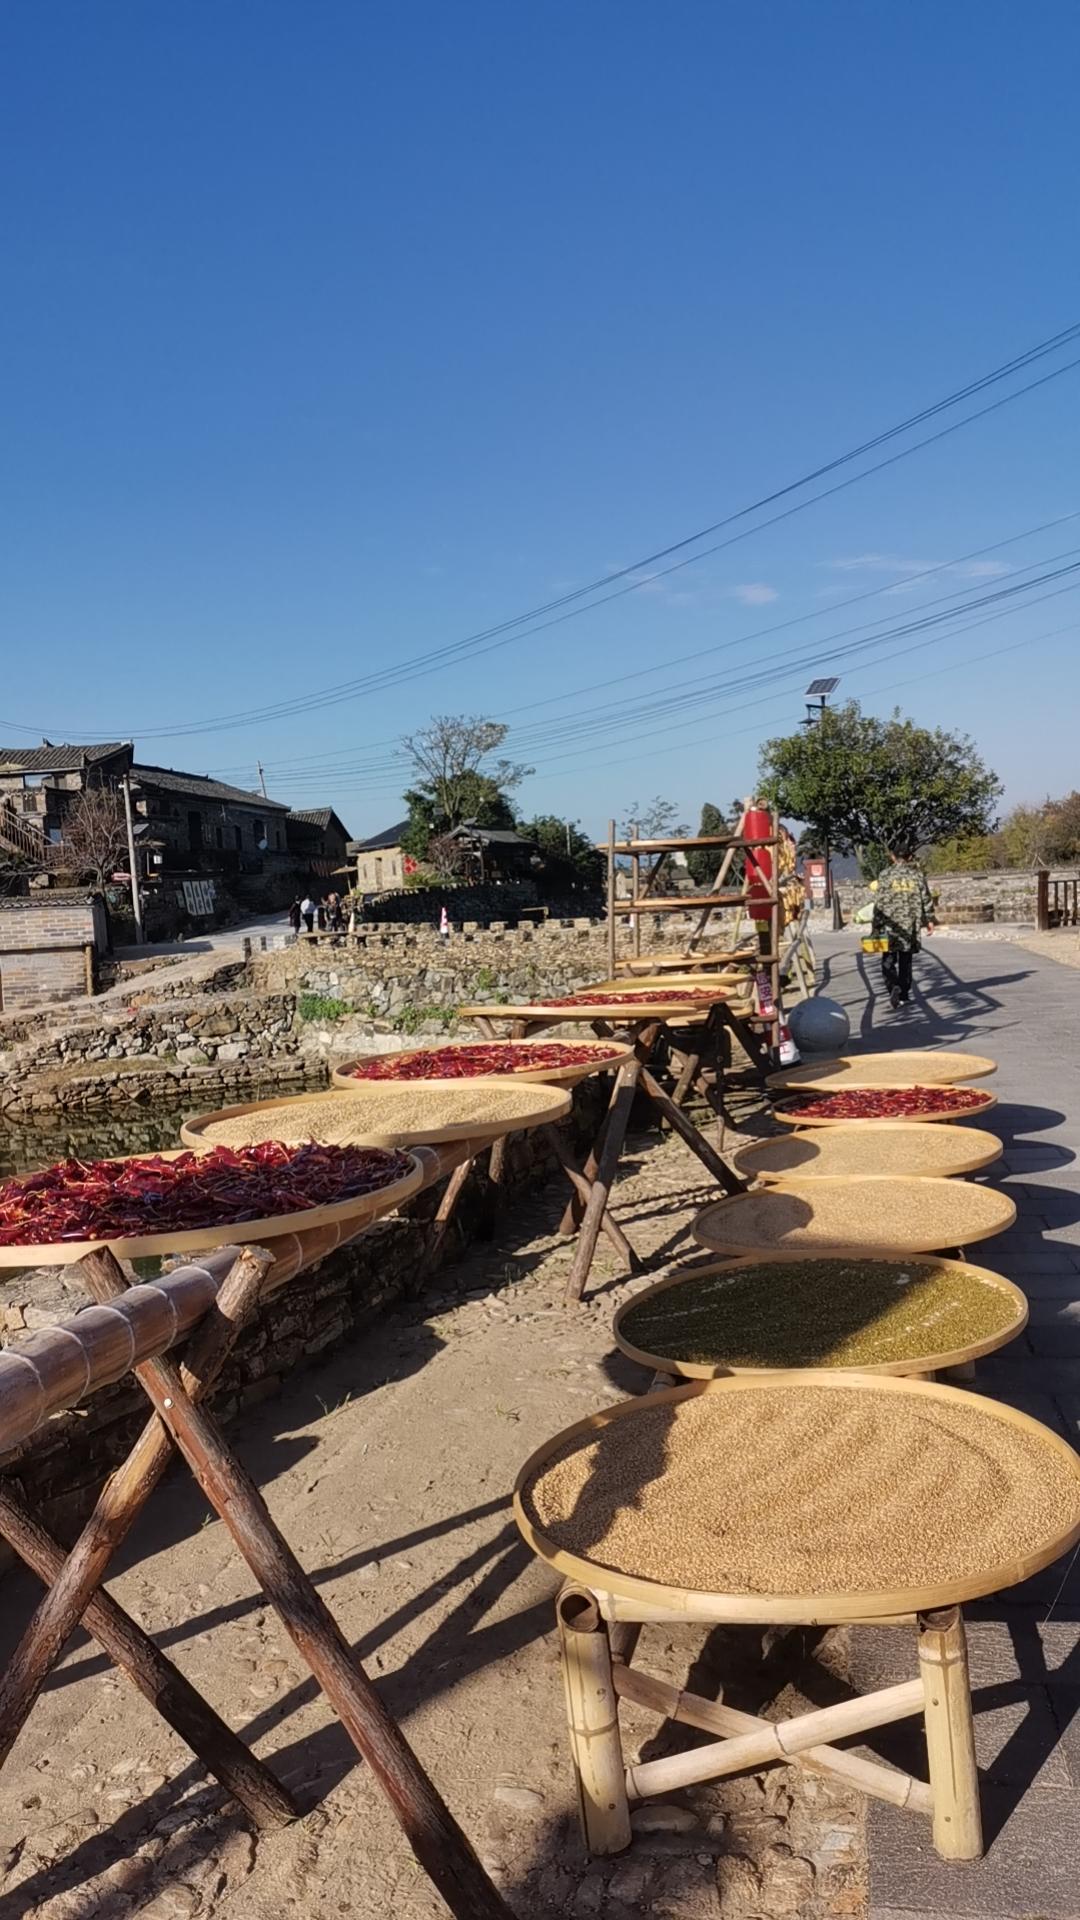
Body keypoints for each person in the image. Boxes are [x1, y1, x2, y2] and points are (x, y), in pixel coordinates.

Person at [871, 852, 934, 1009]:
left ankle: (893, 987)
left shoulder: (885, 875)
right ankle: (904, 993)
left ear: (893, 857)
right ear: (910, 857)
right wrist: (929, 920)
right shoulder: (917, 876)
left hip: (890, 924)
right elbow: (926, 899)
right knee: (906, 960)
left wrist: (876, 925)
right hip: (909, 924)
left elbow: (879, 901)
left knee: (888, 958)